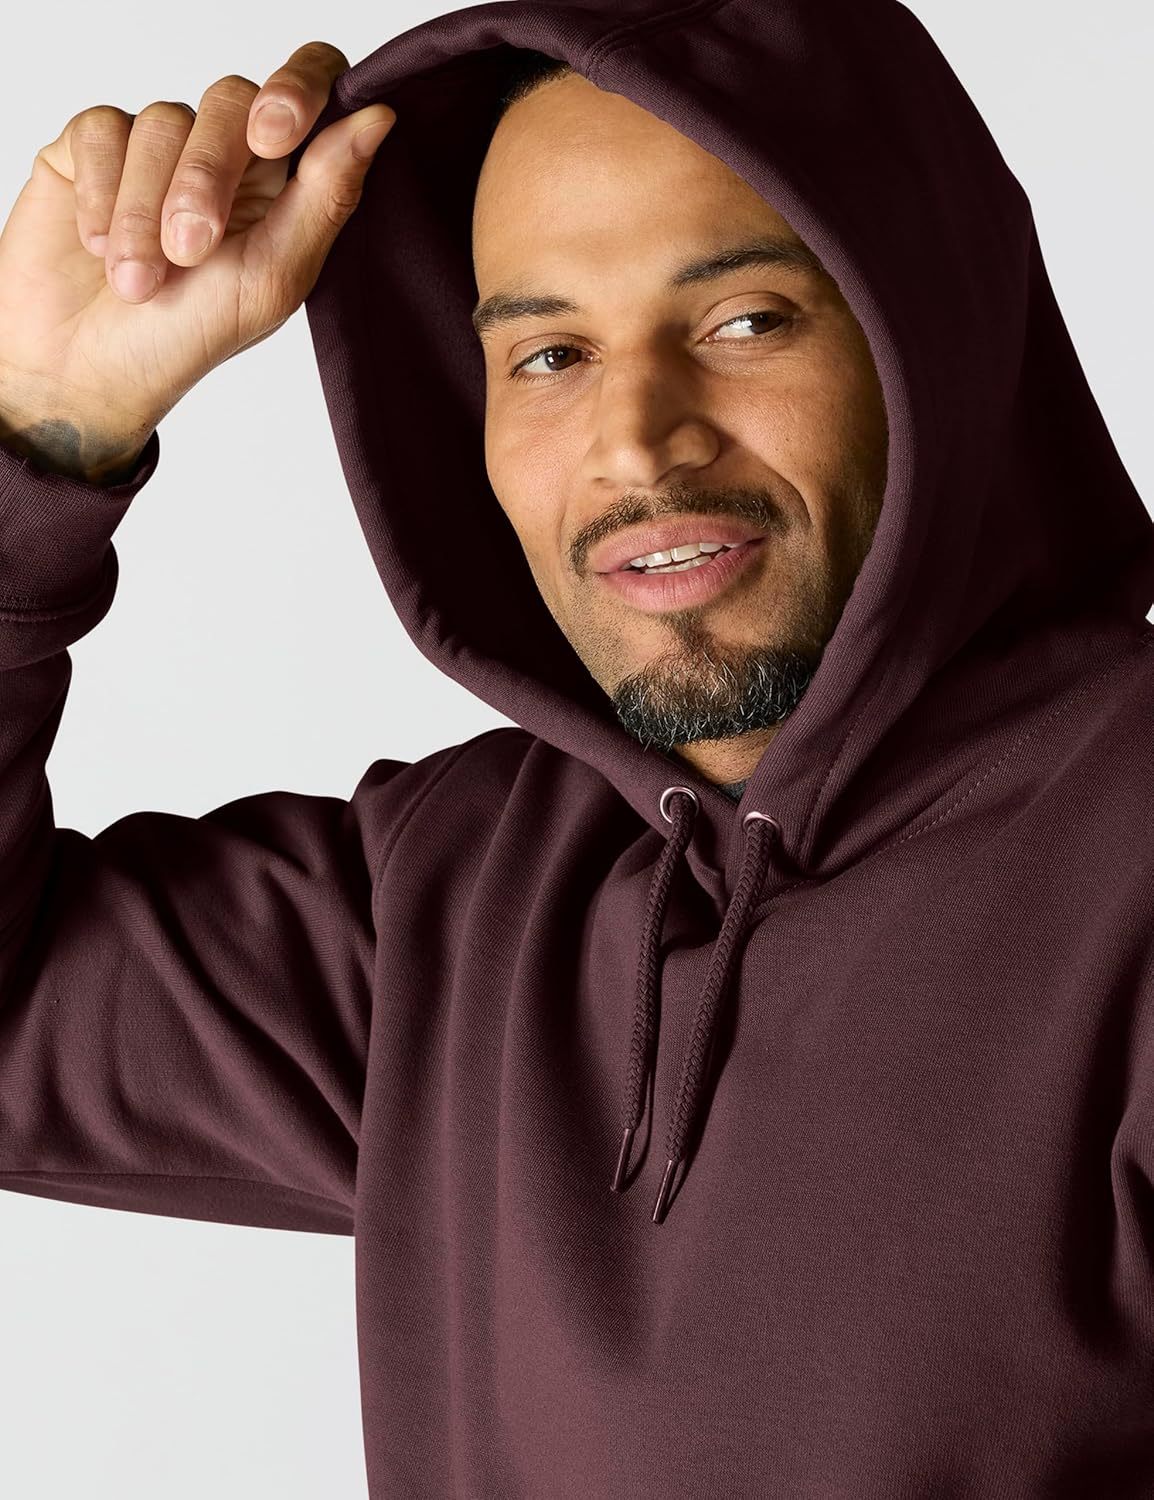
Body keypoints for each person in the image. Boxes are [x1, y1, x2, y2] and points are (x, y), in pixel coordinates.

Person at [1, 2, 1152, 1495]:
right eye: (548, 353)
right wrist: (40, 437)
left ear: (931, 335)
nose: (636, 441)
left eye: (745, 322)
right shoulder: (456, 897)